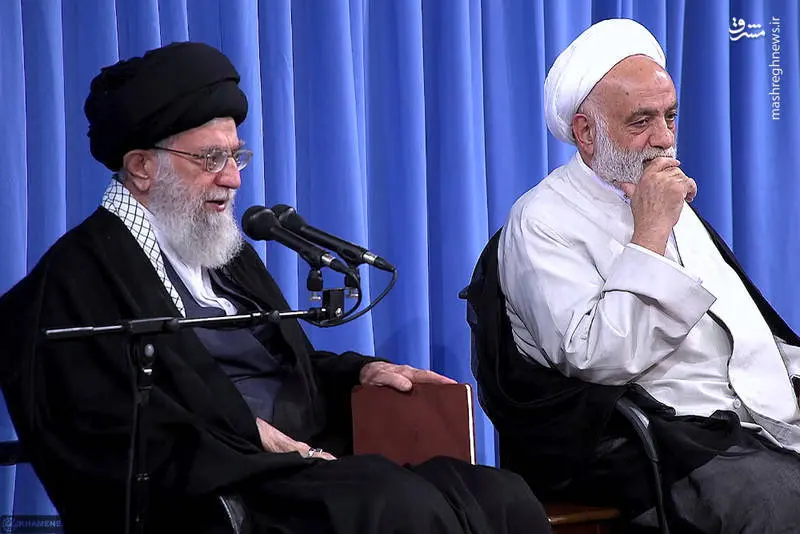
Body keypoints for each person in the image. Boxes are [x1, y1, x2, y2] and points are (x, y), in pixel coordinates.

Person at [0, 42, 552, 534]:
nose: (233, 178)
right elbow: (104, 429)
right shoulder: (73, 281)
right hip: (228, 489)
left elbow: (292, 367)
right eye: (210, 158)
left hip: (309, 463)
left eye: (236, 156)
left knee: (500, 494)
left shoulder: (219, 249)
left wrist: (359, 372)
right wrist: (240, 430)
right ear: (142, 167)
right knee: (391, 504)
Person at [483, 18, 800, 533]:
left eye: (670, 116)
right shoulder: (541, 220)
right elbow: (595, 359)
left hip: (746, 415)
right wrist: (649, 233)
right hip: (649, 437)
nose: (664, 139)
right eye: (641, 122)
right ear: (586, 133)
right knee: (780, 502)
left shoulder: (663, 193)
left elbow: (740, 324)